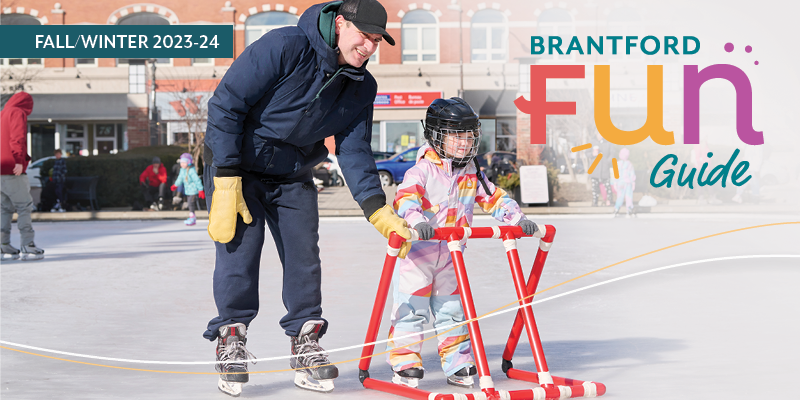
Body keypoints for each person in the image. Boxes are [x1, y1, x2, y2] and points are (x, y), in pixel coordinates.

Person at [201, 0, 411, 396]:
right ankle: (231, 338)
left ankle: (305, 341)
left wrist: (376, 207)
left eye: (376, 41)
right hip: (238, 168)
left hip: (292, 173)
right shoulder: (285, 46)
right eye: (363, 36)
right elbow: (226, 105)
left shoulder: (361, 86)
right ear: (341, 24)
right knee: (238, 251)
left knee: (304, 257)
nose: (368, 48)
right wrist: (226, 177)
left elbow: (353, 149)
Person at [387, 98, 537, 388]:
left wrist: (516, 219)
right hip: (419, 256)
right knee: (411, 310)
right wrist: (418, 222)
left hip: (452, 257)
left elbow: (493, 197)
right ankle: (405, 363)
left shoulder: (471, 171)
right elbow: (404, 198)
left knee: (453, 312)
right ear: (436, 136)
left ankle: (458, 364)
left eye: (469, 136)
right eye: (456, 135)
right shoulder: (421, 171)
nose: (464, 143)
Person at [0, 92, 45, 261]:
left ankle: (3, 244)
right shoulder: (17, 113)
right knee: (24, 206)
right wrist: (18, 160)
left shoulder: (2, 113)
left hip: (0, 169)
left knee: (4, 208)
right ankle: (28, 243)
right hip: (12, 168)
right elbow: (17, 138)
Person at [170, 153, 205, 226]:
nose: (182, 164)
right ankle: (192, 217)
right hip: (188, 191)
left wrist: (200, 189)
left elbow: (197, 180)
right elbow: (180, 178)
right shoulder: (182, 170)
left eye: (183, 162)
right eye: (181, 163)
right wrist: (175, 185)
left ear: (188, 162)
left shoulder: (192, 171)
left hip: (193, 191)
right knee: (190, 204)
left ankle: (192, 218)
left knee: (190, 204)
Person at [613, 148, 636, 217]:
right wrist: (633, 182)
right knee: (628, 196)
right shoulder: (629, 164)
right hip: (628, 182)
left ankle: (616, 208)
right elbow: (632, 174)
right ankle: (629, 208)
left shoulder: (617, 164)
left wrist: (615, 182)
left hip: (620, 182)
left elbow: (615, 174)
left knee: (620, 196)